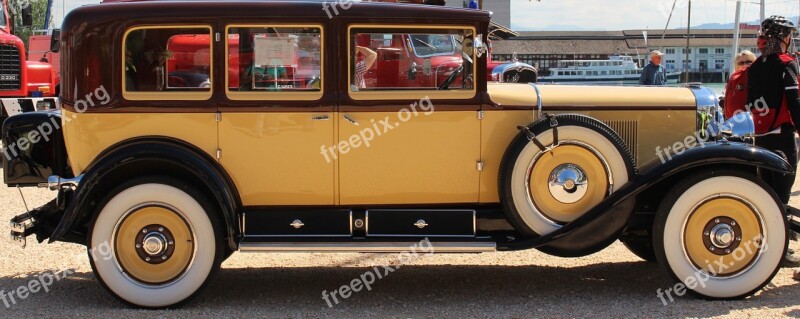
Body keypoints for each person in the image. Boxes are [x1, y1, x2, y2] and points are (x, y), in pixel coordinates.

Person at [746, 16, 800, 269]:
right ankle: (781, 250)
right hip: (783, 136)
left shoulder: (755, 66)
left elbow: (749, 105)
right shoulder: (787, 63)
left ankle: (763, 247)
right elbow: (794, 102)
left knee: (767, 193)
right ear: (784, 38)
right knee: (783, 195)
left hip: (761, 138)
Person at [723, 50, 756, 119]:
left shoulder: (754, 76)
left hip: (746, 119)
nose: (745, 65)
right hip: (730, 118)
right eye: (741, 63)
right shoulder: (734, 77)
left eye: (748, 62)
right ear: (737, 65)